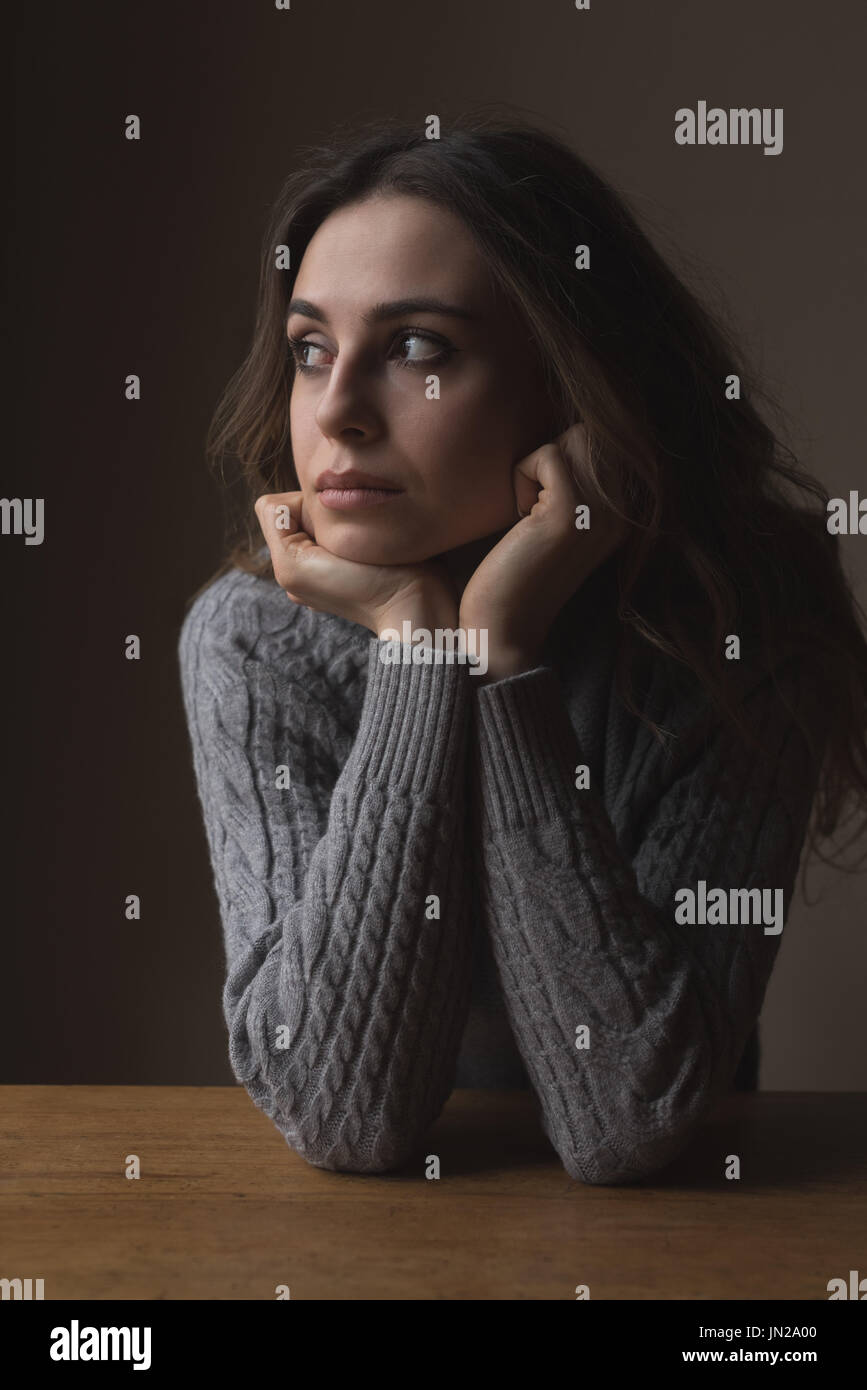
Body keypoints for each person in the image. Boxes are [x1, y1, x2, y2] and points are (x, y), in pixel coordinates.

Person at [178, 116, 867, 1184]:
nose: (338, 412)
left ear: (567, 385)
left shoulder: (744, 623)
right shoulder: (255, 638)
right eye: (312, 349)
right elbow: (338, 1110)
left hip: (687, 1258)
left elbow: (629, 1116)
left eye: (418, 349)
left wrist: (503, 658)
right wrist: (417, 648)